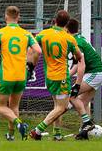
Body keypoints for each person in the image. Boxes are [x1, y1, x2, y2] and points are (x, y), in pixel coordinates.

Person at [29, 10, 83, 141]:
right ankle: (37, 131)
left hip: (49, 76)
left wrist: (30, 65)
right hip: (61, 77)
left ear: (55, 21)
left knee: (57, 106)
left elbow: (33, 48)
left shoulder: (43, 34)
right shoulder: (69, 38)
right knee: (62, 107)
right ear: (66, 24)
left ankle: (57, 134)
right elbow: (79, 56)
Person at [0, 6, 42, 141]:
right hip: (21, 75)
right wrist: (31, 66)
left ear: (5, 16)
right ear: (18, 17)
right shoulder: (26, 34)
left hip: (7, 74)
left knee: (0, 106)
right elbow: (38, 50)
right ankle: (11, 135)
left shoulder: (0, 33)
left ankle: (19, 124)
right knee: (14, 106)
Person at [66, 18, 102, 139]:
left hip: (94, 73)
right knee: (82, 102)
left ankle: (87, 126)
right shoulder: (79, 38)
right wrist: (68, 75)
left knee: (71, 96)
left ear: (66, 30)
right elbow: (78, 64)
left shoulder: (76, 42)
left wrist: (76, 84)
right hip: (96, 73)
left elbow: (80, 64)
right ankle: (84, 132)